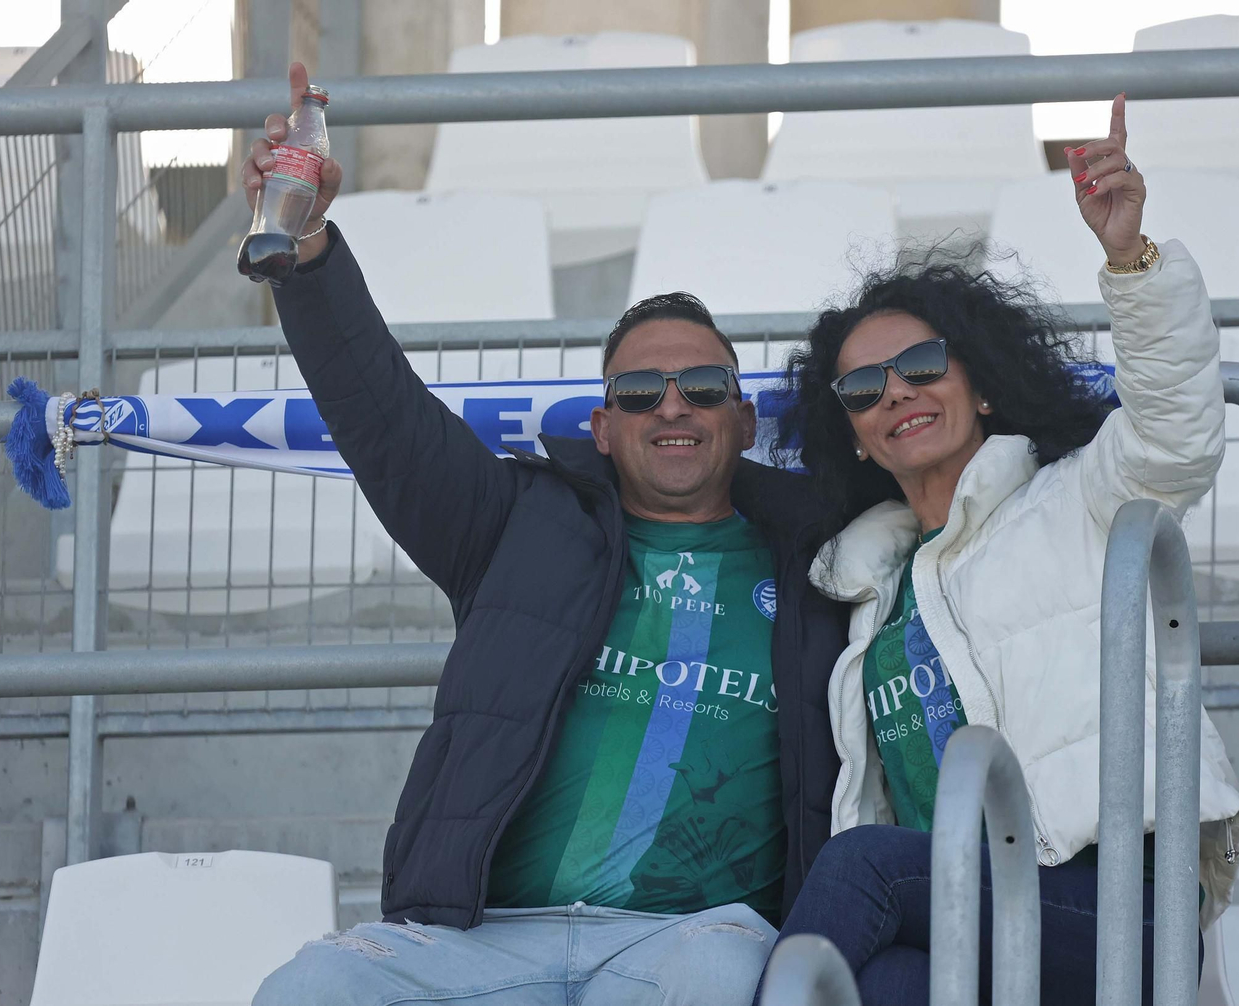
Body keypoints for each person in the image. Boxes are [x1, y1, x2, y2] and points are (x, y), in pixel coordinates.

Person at [245, 63, 848, 1005]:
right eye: (641, 392)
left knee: (720, 978)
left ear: (742, 420)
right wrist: (310, 245)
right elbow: (383, 418)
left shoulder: (826, 557)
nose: (673, 407)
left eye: (704, 388)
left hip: (691, 938)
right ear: (604, 429)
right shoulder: (513, 525)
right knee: (314, 986)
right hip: (482, 939)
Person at [756, 95, 1239, 1004]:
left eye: (922, 365)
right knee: (888, 986)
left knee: (861, 868)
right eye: (863, 388)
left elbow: (1179, 434)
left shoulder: (1078, 498)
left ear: (980, 384)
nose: (895, 392)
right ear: (856, 436)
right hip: (967, 915)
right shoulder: (870, 588)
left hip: (1117, 906)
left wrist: (1128, 259)